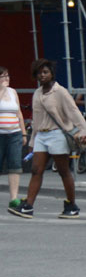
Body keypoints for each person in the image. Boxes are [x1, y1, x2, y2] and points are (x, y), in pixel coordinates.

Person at [8, 59, 86, 218]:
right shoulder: (37, 93)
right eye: (39, 73)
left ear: (52, 73)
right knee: (36, 170)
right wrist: (32, 142)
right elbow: (36, 120)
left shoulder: (60, 91)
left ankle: (71, 205)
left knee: (63, 171)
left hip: (57, 134)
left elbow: (73, 111)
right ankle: (28, 206)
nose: (42, 75)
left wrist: (85, 132)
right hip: (41, 135)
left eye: (45, 72)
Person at [0, 67, 28, 212]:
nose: (6, 79)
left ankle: (13, 198)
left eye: (8, 76)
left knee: (15, 166)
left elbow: (19, 113)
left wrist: (23, 133)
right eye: (3, 76)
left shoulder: (13, 92)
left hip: (14, 133)